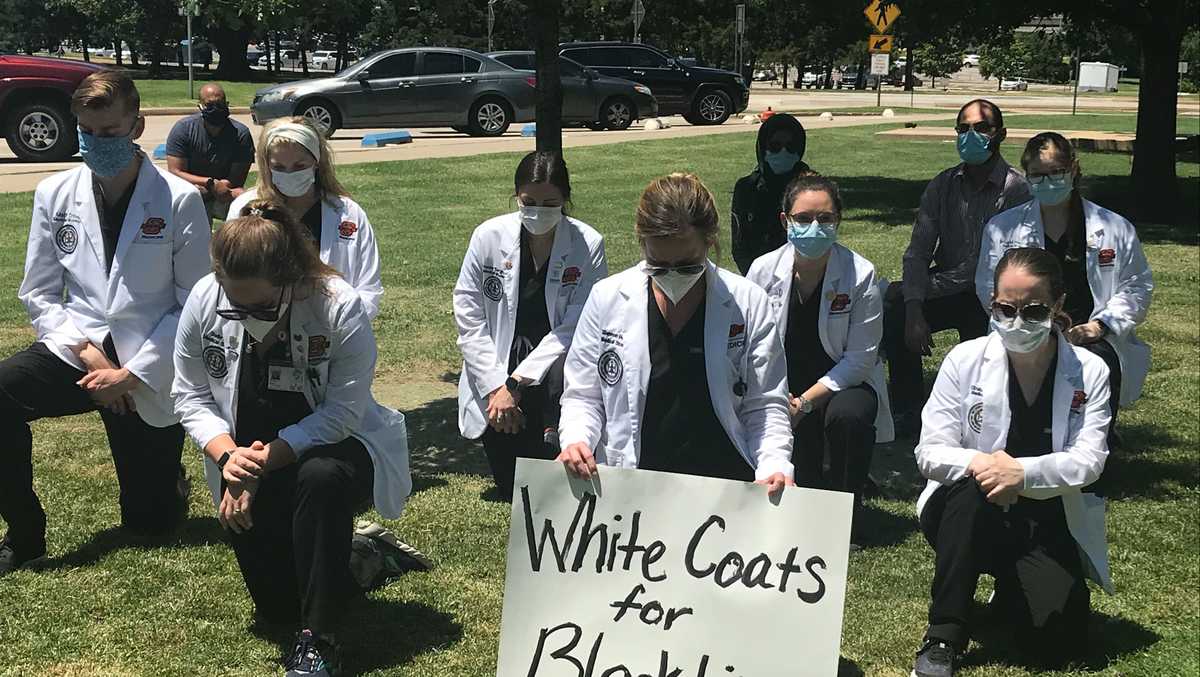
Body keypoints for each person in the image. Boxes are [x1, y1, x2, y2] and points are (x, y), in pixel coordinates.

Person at [172, 200, 413, 676]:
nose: (243, 315)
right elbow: (190, 394)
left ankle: (321, 639)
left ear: (292, 280)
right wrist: (229, 459)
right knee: (276, 612)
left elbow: (343, 413)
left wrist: (261, 463)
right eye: (232, 303)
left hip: (337, 447)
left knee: (320, 480)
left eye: (258, 306)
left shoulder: (338, 305)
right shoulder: (204, 298)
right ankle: (363, 557)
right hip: (244, 451)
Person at [0, 71, 211, 576]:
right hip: (79, 350)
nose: (97, 144)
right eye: (87, 133)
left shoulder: (179, 199)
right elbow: (40, 292)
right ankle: (25, 535)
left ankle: (167, 485)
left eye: (110, 133)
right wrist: (87, 351)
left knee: (151, 525)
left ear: (137, 126)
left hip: (148, 363)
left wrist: (131, 374)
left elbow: (194, 302)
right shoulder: (54, 193)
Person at [910, 247, 1113, 677]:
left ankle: (1011, 590)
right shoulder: (964, 361)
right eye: (1006, 308)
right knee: (971, 487)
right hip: (964, 511)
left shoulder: (1090, 371)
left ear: (1058, 306)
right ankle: (944, 633)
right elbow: (929, 451)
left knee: (1058, 643)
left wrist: (1021, 474)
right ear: (992, 304)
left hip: (1044, 515)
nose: (1018, 321)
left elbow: (1090, 461)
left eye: (1034, 310)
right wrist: (986, 465)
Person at [556, 173, 792, 495]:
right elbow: (584, 395)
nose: (672, 276)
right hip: (635, 483)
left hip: (724, 483)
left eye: (687, 265)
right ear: (642, 243)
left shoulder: (749, 302)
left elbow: (764, 404)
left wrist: (774, 463)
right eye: (658, 265)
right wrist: (576, 439)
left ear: (710, 241)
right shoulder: (607, 298)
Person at [746, 175, 893, 543]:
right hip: (780, 385)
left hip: (841, 385)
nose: (815, 227)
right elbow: (750, 351)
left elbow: (861, 359)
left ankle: (844, 516)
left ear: (838, 221)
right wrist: (780, 401)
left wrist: (805, 404)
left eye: (826, 219)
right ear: (785, 221)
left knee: (850, 416)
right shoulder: (761, 272)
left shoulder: (860, 274)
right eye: (804, 218)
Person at [975, 132, 1152, 435]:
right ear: (1026, 177)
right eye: (1038, 175)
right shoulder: (1003, 228)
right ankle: (1026, 436)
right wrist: (1034, 325)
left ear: (1073, 169)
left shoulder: (1114, 228)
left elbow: (1136, 285)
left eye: (1056, 172)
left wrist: (1100, 326)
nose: (1048, 182)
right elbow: (987, 286)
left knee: (1099, 362)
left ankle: (1097, 440)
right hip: (1025, 326)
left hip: (1092, 332)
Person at [454, 152, 607, 500]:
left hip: (557, 365)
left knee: (549, 486)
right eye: (529, 202)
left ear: (566, 200)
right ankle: (503, 421)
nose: (539, 211)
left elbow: (577, 325)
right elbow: (468, 313)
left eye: (550, 203)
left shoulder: (588, 243)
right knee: (512, 486)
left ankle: (553, 429)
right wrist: (496, 388)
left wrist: (516, 383)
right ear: (516, 197)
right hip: (498, 363)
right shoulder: (488, 236)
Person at [883, 99, 1031, 437]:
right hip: (950, 290)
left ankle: (984, 416)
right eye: (963, 128)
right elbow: (918, 252)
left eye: (981, 128)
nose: (971, 135)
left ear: (1001, 135)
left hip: (993, 297)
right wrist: (914, 308)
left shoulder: (1018, 190)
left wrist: (926, 290)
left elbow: (993, 264)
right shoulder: (943, 185)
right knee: (895, 305)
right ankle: (908, 409)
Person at [229, 118, 382, 319]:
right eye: (279, 167)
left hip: (335, 330)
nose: (290, 173)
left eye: (299, 165)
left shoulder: (347, 213)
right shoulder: (245, 208)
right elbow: (228, 277)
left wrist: (344, 325)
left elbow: (368, 288)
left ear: (316, 162)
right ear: (267, 166)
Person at [731, 112, 813, 274]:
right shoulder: (746, 188)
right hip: (756, 277)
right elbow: (740, 246)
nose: (783, 152)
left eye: (790, 146)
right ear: (763, 147)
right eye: (775, 146)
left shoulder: (810, 188)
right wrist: (757, 280)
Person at [165, 82, 254, 221]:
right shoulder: (183, 129)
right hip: (193, 191)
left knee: (246, 202)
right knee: (194, 198)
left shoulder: (241, 134)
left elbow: (237, 178)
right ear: (200, 106)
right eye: (210, 105)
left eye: (220, 104)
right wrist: (209, 183)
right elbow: (175, 171)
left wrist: (218, 188)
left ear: (226, 104)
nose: (216, 109)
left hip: (225, 192)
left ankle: (235, 239)